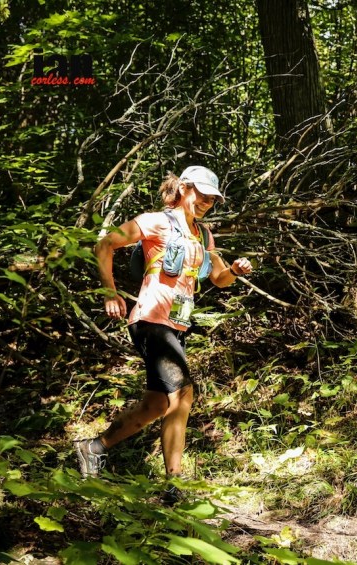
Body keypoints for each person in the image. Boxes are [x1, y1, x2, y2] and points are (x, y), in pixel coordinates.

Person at [75, 165, 252, 503]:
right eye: (201, 195)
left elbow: (219, 279)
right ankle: (174, 487)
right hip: (151, 319)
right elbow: (105, 244)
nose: (206, 203)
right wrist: (109, 292)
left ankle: (93, 448)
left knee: (157, 404)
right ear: (183, 188)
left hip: (177, 325)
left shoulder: (204, 235)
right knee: (183, 395)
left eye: (212, 199)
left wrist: (234, 270)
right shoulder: (157, 221)